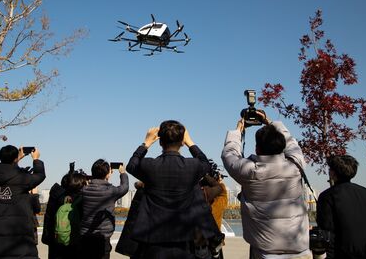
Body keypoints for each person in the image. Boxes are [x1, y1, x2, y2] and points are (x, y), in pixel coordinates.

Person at [126, 120, 222, 259]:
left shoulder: (149, 165)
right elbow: (205, 164)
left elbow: (131, 166)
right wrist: (191, 142)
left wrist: (146, 143)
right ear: (182, 141)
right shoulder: (192, 165)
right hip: (184, 238)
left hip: (153, 239)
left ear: (160, 142)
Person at [221, 111, 311, 259]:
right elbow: (291, 142)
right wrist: (269, 122)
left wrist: (238, 131)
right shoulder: (296, 166)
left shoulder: (249, 171)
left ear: (257, 149)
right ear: (282, 146)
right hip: (300, 248)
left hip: (265, 251)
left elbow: (229, 154)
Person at [0, 145, 46, 259]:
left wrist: (16, 159)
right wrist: (36, 159)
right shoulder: (21, 181)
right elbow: (39, 175)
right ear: (15, 159)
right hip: (17, 248)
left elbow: (5, 174)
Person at [78, 159, 129, 259]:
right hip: (103, 237)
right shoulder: (111, 191)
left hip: (85, 235)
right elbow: (125, 187)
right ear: (108, 174)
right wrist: (123, 173)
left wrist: (105, 177)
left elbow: (98, 186)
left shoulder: (83, 189)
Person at [42, 165, 88, 259]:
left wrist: (47, 237)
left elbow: (48, 216)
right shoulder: (80, 198)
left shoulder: (55, 195)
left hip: (55, 239)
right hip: (74, 241)